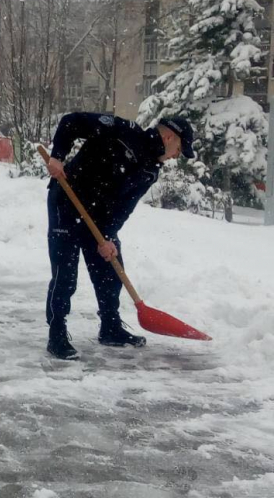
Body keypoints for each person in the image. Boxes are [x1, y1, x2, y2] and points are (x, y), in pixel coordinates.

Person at [44, 113, 195, 360]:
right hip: (67, 202)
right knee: (65, 275)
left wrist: (109, 237)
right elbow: (71, 121)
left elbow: (124, 207)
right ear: (169, 136)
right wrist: (58, 156)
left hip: (98, 218)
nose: (176, 156)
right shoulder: (121, 130)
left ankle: (111, 328)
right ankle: (57, 332)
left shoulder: (150, 170)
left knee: (111, 271)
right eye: (179, 149)